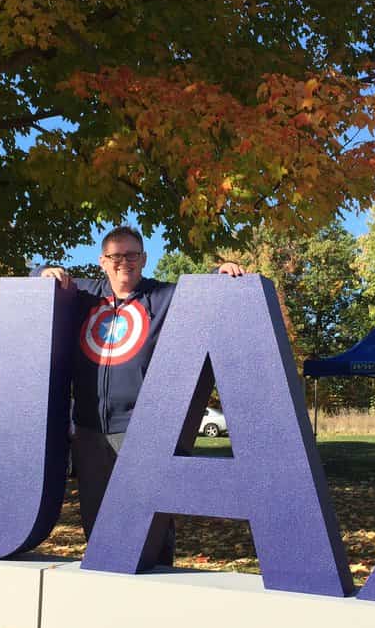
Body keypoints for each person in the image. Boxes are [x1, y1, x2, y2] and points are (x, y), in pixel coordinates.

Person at [36, 226, 244, 563]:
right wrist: (43, 272)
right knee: (97, 522)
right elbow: (37, 281)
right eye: (116, 256)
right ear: (102, 261)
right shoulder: (84, 295)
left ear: (144, 259)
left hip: (142, 432)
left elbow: (201, 294)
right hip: (89, 431)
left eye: (132, 255)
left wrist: (220, 272)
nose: (124, 262)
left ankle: (158, 589)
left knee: (150, 529)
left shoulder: (160, 297)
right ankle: (108, 586)